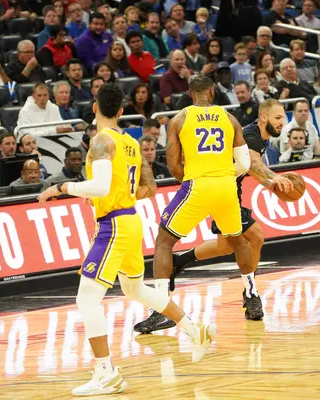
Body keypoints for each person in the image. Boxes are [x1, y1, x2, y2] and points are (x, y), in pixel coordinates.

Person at [37, 83, 216, 396]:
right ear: (121, 111)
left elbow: (102, 186)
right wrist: (112, 197)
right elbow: (148, 185)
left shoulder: (100, 141)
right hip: (131, 219)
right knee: (134, 288)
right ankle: (193, 328)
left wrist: (62, 188)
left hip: (115, 224)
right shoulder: (130, 141)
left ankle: (106, 372)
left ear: (95, 108)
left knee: (86, 299)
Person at [135, 96, 294, 333]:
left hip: (222, 189)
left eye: (283, 117)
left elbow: (254, 166)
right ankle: (250, 294)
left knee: (226, 245)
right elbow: (252, 163)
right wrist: (273, 180)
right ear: (263, 118)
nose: (283, 122)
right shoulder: (250, 135)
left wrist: (271, 183)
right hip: (219, 188)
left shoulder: (261, 138)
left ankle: (180, 262)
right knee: (254, 237)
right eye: (278, 117)